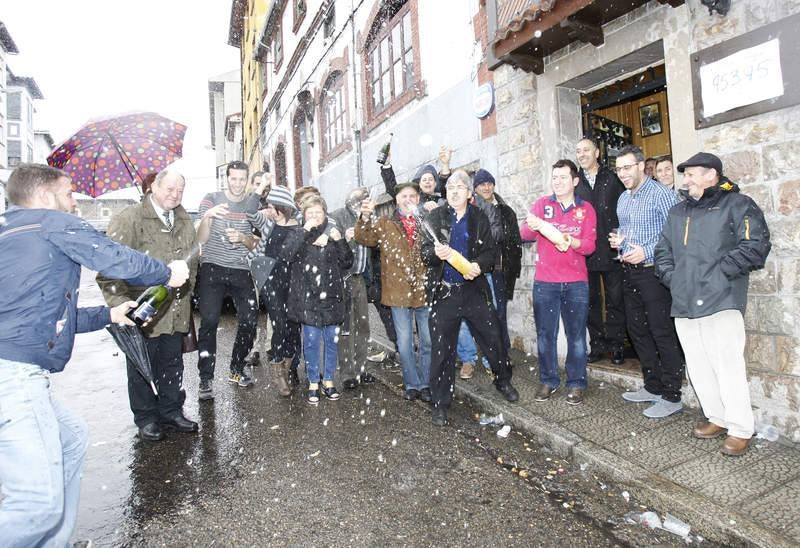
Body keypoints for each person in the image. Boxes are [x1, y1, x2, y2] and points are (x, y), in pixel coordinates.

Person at [0, 164, 189, 547]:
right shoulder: (50, 222)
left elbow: (44, 315)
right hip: (15, 373)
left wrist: (108, 315)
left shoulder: (11, 231)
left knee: (71, 439)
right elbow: (115, 257)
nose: (75, 202)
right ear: (44, 196)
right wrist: (165, 273)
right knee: (36, 504)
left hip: (12, 366)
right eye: (69, 193)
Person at [655, 152, 771, 456]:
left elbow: (756, 245)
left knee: (727, 366)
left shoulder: (738, 204)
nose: (686, 180)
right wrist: (673, 278)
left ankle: (740, 428)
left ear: (712, 175)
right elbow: (663, 251)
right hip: (684, 300)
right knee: (698, 365)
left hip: (722, 300)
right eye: (685, 174)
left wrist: (719, 274)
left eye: (692, 173)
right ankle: (717, 417)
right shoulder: (678, 211)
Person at [97, 169, 199, 441]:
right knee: (142, 367)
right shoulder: (129, 219)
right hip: (142, 310)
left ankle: (171, 411)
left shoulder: (183, 219)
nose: (175, 195)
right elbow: (108, 271)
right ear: (153, 186)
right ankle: (146, 417)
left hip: (176, 309)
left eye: (180, 190)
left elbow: (192, 261)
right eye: (169, 189)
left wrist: (187, 291)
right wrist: (122, 304)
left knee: (172, 363)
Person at [421, 169, 519, 426]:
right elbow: (424, 253)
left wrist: (479, 265)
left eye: (459, 188)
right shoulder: (435, 217)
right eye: (450, 188)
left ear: (468, 193)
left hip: (473, 290)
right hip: (445, 293)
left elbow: (490, 253)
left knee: (493, 338)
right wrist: (436, 254)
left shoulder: (479, 217)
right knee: (442, 350)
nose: (454, 192)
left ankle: (503, 380)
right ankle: (440, 402)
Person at [610, 145, 683, 418]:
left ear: (642, 166)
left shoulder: (662, 194)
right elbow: (628, 232)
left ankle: (672, 395)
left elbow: (676, 234)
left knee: (661, 332)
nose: (622, 173)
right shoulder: (623, 198)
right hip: (630, 272)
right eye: (619, 169)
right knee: (637, 330)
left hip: (655, 273)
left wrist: (647, 251)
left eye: (627, 167)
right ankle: (653, 386)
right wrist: (620, 242)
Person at [521, 160, 597, 404]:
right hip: (546, 282)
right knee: (545, 335)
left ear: (575, 181)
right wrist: (531, 224)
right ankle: (548, 380)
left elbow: (589, 246)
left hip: (576, 282)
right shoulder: (542, 204)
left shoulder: (586, 209)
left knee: (576, 336)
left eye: (563, 177)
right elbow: (524, 235)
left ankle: (576, 383)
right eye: (554, 177)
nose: (558, 182)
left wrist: (571, 241)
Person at [355, 180, 432, 402]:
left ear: (418, 199)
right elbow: (363, 237)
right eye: (404, 196)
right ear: (396, 200)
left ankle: (426, 383)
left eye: (412, 196)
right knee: (405, 342)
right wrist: (365, 217)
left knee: (427, 341)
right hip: (398, 292)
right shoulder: (385, 223)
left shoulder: (426, 221)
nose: (408, 200)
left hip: (424, 289)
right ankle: (412, 383)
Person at [195, 160, 261, 397]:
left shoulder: (251, 203)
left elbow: (255, 243)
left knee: (250, 320)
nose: (238, 184)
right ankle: (205, 378)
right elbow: (201, 238)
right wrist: (208, 217)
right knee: (210, 321)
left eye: (242, 179)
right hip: (212, 267)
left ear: (247, 180)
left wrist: (243, 238)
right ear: (226, 178)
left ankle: (237, 367)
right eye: (234, 179)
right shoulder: (211, 199)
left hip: (241, 269)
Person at [287, 196, 353, 404]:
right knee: (312, 342)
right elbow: (287, 254)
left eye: (318, 212)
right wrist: (305, 231)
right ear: (304, 215)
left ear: (325, 214)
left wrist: (339, 240)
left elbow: (347, 262)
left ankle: (329, 380)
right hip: (307, 298)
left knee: (332, 342)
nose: (315, 216)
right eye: (310, 212)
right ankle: (313, 382)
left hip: (331, 296)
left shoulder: (333, 232)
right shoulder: (298, 233)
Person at [575, 137, 626, 365]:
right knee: (590, 301)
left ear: (597, 153)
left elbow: (623, 210)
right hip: (585, 253)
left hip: (611, 249)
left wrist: (622, 236)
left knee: (616, 300)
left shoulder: (612, 178)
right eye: (578, 151)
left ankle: (616, 345)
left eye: (586, 150)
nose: (582, 154)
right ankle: (596, 345)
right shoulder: (575, 183)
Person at [249, 185, 304, 396]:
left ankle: (290, 368)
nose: (269, 210)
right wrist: (259, 189)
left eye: (272, 206)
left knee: (293, 327)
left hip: (294, 283)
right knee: (279, 324)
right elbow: (249, 211)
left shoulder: (300, 226)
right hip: (271, 282)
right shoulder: (268, 225)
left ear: (283, 207)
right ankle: (278, 372)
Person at [330, 187, 376, 390]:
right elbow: (331, 249)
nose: (363, 203)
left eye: (366, 200)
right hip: (343, 278)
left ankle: (361, 368)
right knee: (345, 328)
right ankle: (347, 373)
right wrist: (344, 239)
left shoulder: (369, 218)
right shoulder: (337, 216)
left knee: (363, 325)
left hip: (360, 278)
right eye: (360, 199)